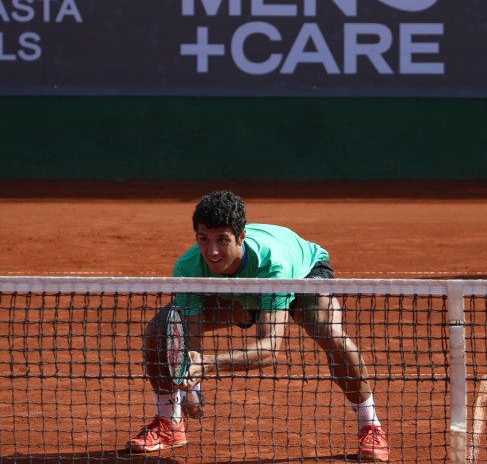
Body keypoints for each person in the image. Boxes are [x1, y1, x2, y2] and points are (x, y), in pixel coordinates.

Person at [125, 191, 390, 461]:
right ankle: (170, 423)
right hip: (240, 291)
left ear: (241, 237)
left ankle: (370, 425)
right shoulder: (188, 268)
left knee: (328, 332)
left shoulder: (273, 263)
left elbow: (269, 350)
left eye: (222, 240)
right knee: (159, 328)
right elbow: (191, 336)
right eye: (204, 239)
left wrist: (209, 364)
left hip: (301, 276)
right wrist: (192, 385)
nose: (212, 251)